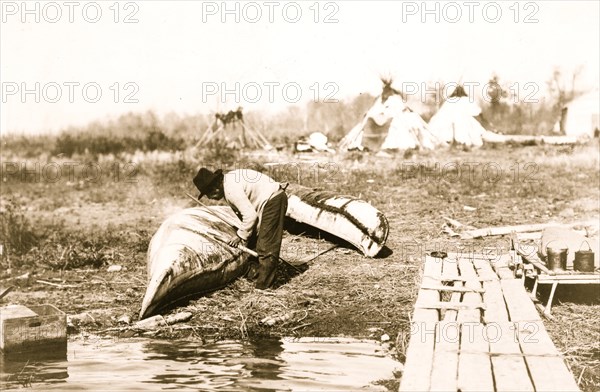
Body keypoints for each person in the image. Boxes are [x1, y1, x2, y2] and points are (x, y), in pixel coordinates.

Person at [193, 167, 288, 289]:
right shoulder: (229, 181)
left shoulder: (231, 190)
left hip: (273, 200)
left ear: (215, 188)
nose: (210, 198)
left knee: (266, 246)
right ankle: (257, 274)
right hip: (269, 200)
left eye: (208, 194)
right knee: (255, 239)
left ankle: (263, 288)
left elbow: (250, 216)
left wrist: (240, 236)